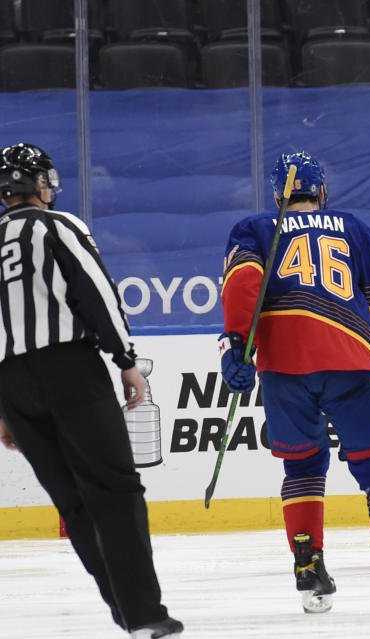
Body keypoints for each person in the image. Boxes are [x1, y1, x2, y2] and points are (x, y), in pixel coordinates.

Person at [219, 151, 370, 613]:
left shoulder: (255, 228)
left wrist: (236, 347)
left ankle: (307, 561)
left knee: (301, 468)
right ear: (321, 192)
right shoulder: (353, 226)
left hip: (284, 366)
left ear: (278, 196)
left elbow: (242, 286)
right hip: (349, 362)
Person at [0, 143, 183, 638]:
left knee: (74, 501)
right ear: (37, 185)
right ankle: (144, 614)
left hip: (12, 384)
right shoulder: (59, 226)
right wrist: (125, 359)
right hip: (69, 371)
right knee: (115, 490)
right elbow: (96, 291)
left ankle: (125, 612)